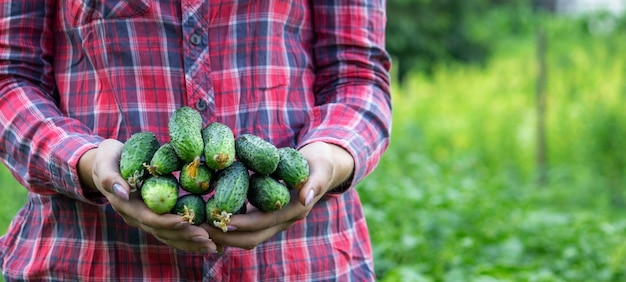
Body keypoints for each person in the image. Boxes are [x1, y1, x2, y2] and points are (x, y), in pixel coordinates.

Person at [0, 0, 391, 280]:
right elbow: (9, 77)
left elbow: (358, 75)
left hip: (305, 261)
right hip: (92, 256)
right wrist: (83, 161)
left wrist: (331, 155)